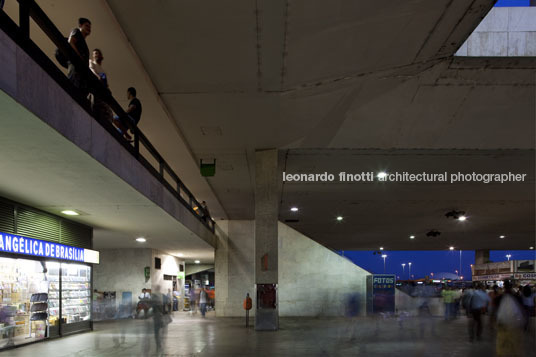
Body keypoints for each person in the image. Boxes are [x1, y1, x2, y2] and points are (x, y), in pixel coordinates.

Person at [496, 280, 526, 356]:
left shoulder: (499, 298)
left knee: (502, 347)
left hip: (502, 326)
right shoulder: (517, 297)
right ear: (512, 287)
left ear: (503, 287)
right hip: (515, 326)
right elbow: (523, 311)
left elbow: (494, 311)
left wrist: (492, 323)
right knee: (516, 348)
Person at [67, 18, 91, 95]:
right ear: (80, 25)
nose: (89, 28)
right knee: (73, 90)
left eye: (90, 27)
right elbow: (71, 42)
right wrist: (79, 57)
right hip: (75, 68)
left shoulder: (85, 45)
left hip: (81, 72)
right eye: (86, 26)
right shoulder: (76, 31)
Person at [89, 49, 113, 122]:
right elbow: (91, 69)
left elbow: (106, 83)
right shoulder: (91, 62)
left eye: (97, 53)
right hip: (95, 88)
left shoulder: (103, 70)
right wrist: (97, 76)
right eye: (94, 54)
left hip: (102, 91)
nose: (96, 55)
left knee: (107, 111)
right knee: (94, 106)